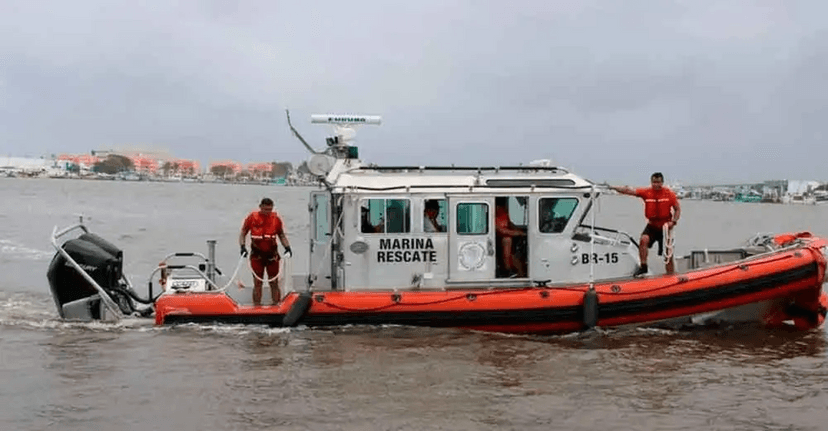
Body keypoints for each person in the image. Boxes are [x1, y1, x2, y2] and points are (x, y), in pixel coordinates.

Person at [609, 172, 681, 276]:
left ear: (662, 182)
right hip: (652, 226)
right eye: (654, 182)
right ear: (651, 182)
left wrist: (673, 222)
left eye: (659, 182)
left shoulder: (669, 194)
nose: (656, 184)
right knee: (643, 240)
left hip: (665, 227)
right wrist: (612, 187)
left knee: (668, 252)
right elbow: (629, 191)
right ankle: (643, 267)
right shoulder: (647, 192)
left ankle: (670, 274)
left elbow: (677, 209)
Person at [239, 197, 292, 306]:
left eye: (270, 209)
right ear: (261, 207)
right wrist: (242, 246)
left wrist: (287, 247)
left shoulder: (275, 219)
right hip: (257, 255)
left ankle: (276, 304)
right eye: (266, 209)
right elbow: (243, 232)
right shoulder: (252, 218)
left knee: (274, 282)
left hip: (272, 256)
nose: (268, 212)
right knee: (258, 283)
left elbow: (281, 234)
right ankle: (257, 306)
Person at [495, 198, 527, 277]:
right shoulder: (490, 213)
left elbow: (509, 223)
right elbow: (500, 231)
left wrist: (520, 231)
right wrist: (518, 233)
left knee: (516, 254)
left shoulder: (503, 211)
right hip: (496, 239)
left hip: (509, 238)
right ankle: (507, 269)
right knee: (507, 240)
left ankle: (521, 274)